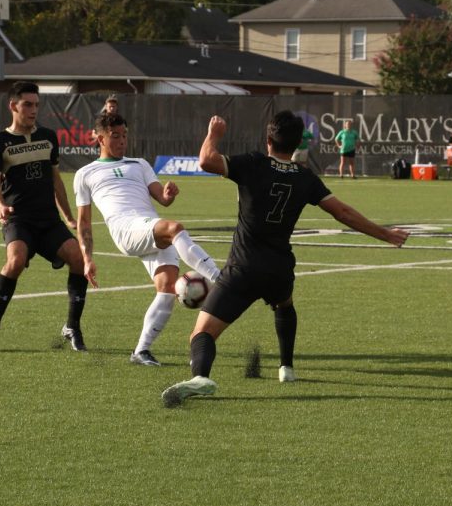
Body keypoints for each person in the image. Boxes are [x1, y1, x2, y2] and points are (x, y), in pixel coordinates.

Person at [160, 111, 409, 407]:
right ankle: (286, 368)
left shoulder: (253, 163)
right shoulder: (305, 177)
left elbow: (206, 160)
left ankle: (201, 376)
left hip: (244, 268)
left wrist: (214, 133)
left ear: (268, 140)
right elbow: (343, 213)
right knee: (284, 304)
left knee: (201, 333)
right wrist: (385, 234)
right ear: (297, 144)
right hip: (279, 269)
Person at [74, 113, 221, 366]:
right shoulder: (85, 173)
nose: (122, 140)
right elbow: (84, 222)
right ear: (100, 138)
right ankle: (222, 278)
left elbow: (162, 199)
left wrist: (168, 194)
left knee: (167, 287)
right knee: (174, 228)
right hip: (125, 228)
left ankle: (141, 351)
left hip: (147, 225)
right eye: (115, 136)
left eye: (125, 135)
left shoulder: (139, 163)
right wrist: (87, 259)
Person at [0, 81, 89, 351]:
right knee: (15, 261)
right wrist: (0, 207)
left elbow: (56, 182)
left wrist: (68, 217)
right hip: (19, 220)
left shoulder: (49, 137)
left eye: (36, 105)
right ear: (13, 106)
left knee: (78, 259)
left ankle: (72, 327)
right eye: (27, 104)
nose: (33, 110)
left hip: (48, 221)